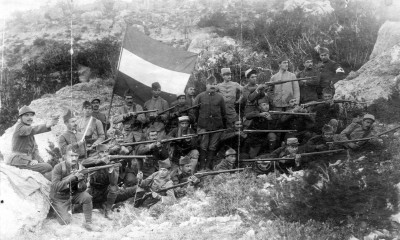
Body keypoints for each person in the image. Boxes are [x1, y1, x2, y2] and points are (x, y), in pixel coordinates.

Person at [50, 145, 99, 231]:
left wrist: (81, 181)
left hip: (73, 195)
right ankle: (57, 210)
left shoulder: (81, 168)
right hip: (60, 198)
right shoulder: (58, 168)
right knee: (65, 222)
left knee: (87, 197)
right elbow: (55, 186)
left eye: (76, 156)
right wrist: (73, 178)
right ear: (65, 157)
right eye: (71, 155)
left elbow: (83, 188)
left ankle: (88, 223)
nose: (74, 158)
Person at [82, 144, 136, 220]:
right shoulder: (94, 160)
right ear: (98, 153)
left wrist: (111, 171)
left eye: (106, 152)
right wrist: (100, 161)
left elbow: (114, 182)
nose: (104, 154)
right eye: (102, 152)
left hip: (106, 190)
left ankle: (108, 209)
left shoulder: (114, 162)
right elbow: (84, 162)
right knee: (79, 204)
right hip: (93, 189)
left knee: (114, 188)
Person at [7, 106, 58, 180]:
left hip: (26, 160)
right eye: (26, 115)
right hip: (18, 162)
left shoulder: (28, 130)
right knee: (47, 167)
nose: (30, 117)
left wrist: (36, 160)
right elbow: (33, 129)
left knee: (47, 166)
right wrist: (47, 125)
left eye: (31, 115)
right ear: (20, 117)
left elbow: (35, 148)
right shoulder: (20, 128)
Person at [194, 76, 227, 170]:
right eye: (211, 84)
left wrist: (223, 126)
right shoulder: (200, 96)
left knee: (212, 146)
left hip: (217, 126)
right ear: (206, 85)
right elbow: (194, 111)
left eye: (215, 84)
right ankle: (202, 166)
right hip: (203, 125)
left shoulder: (220, 97)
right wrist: (198, 123)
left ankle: (208, 166)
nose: (213, 86)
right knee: (203, 145)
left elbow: (223, 112)